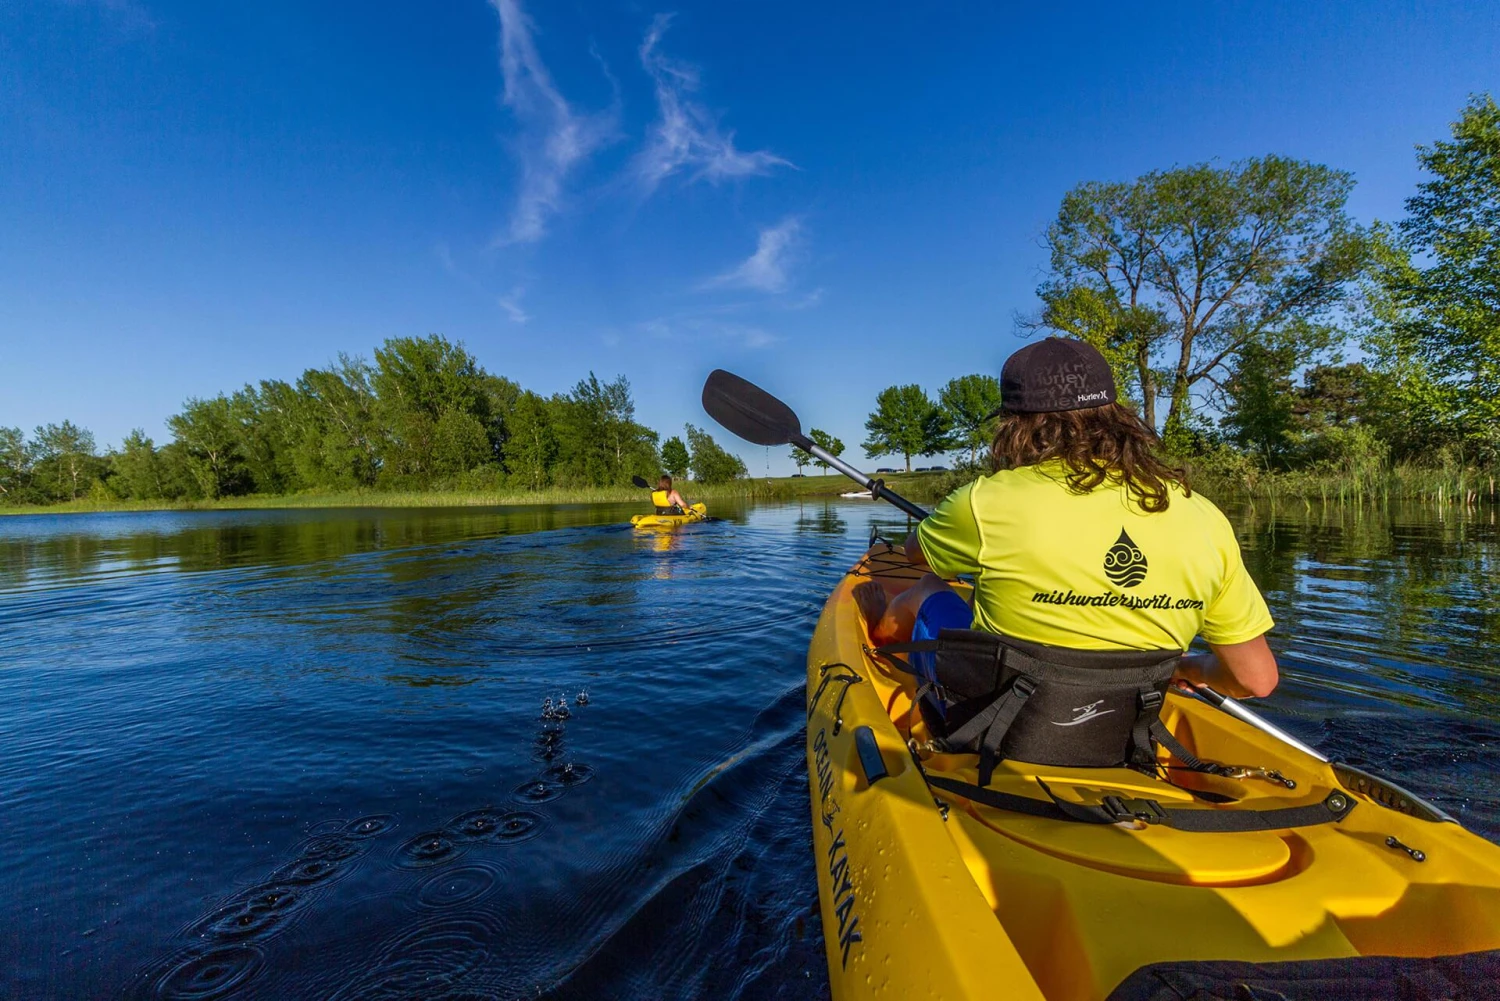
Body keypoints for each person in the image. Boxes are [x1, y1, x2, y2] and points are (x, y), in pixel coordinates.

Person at [855, 336, 1277, 701]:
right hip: (1120, 729)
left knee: (928, 586)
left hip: (1000, 723)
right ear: (1117, 416)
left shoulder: (985, 501)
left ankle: (880, 632)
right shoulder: (1204, 516)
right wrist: (1192, 669)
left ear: (1014, 424)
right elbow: (1256, 680)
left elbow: (915, 556)